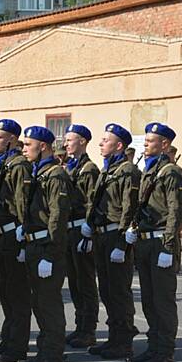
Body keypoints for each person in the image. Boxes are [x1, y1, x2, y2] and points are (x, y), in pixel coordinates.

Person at [125, 123, 182, 362]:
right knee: (149, 301)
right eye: (146, 141)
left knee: (163, 302)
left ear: (165, 145)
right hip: (145, 241)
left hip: (161, 242)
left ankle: (165, 352)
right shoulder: (151, 170)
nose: (146, 144)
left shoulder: (171, 172)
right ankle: (153, 348)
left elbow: (175, 211)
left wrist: (168, 247)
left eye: (151, 141)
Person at [19, 126, 71, 362]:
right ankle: (44, 353)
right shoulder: (38, 172)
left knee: (49, 305)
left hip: (46, 247)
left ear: (43, 146)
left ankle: (52, 358)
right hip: (34, 244)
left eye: (29, 145)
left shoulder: (55, 175)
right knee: (39, 303)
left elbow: (58, 217)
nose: (24, 149)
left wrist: (50, 254)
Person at [86, 123, 141, 360]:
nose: (100, 143)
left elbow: (131, 207)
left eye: (105, 140)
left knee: (118, 291)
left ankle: (123, 341)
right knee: (107, 290)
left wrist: (123, 243)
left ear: (119, 145)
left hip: (115, 236)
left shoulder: (127, 171)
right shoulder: (109, 169)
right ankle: (114, 338)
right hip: (102, 235)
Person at [0, 120, 32, 362]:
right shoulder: (3, 164)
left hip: (14, 235)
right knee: (6, 293)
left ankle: (18, 345)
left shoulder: (19, 165)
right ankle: (7, 340)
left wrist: (24, 237)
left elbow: (22, 203)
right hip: (2, 234)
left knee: (17, 294)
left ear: (12, 139)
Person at [63, 125, 100, 348]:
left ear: (83, 142)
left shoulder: (89, 169)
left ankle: (88, 329)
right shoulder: (70, 167)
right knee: (75, 282)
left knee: (85, 281)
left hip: (81, 229)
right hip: (69, 229)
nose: (66, 144)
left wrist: (88, 230)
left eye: (70, 140)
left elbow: (91, 202)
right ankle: (80, 326)